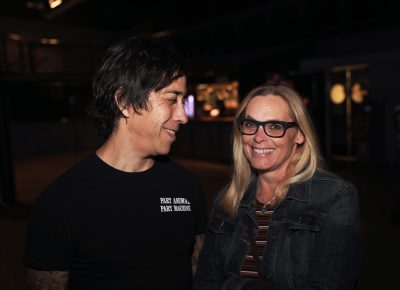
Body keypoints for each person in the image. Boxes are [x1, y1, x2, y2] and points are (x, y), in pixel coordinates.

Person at [24, 36, 207, 290]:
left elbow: (198, 272)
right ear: (124, 102)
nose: (183, 116)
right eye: (171, 99)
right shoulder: (60, 203)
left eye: (182, 100)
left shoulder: (188, 187)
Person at [194, 85, 361, 290]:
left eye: (274, 126)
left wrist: (234, 285)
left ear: (299, 135)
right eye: (250, 124)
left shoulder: (334, 197)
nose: (258, 137)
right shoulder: (228, 199)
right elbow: (205, 282)